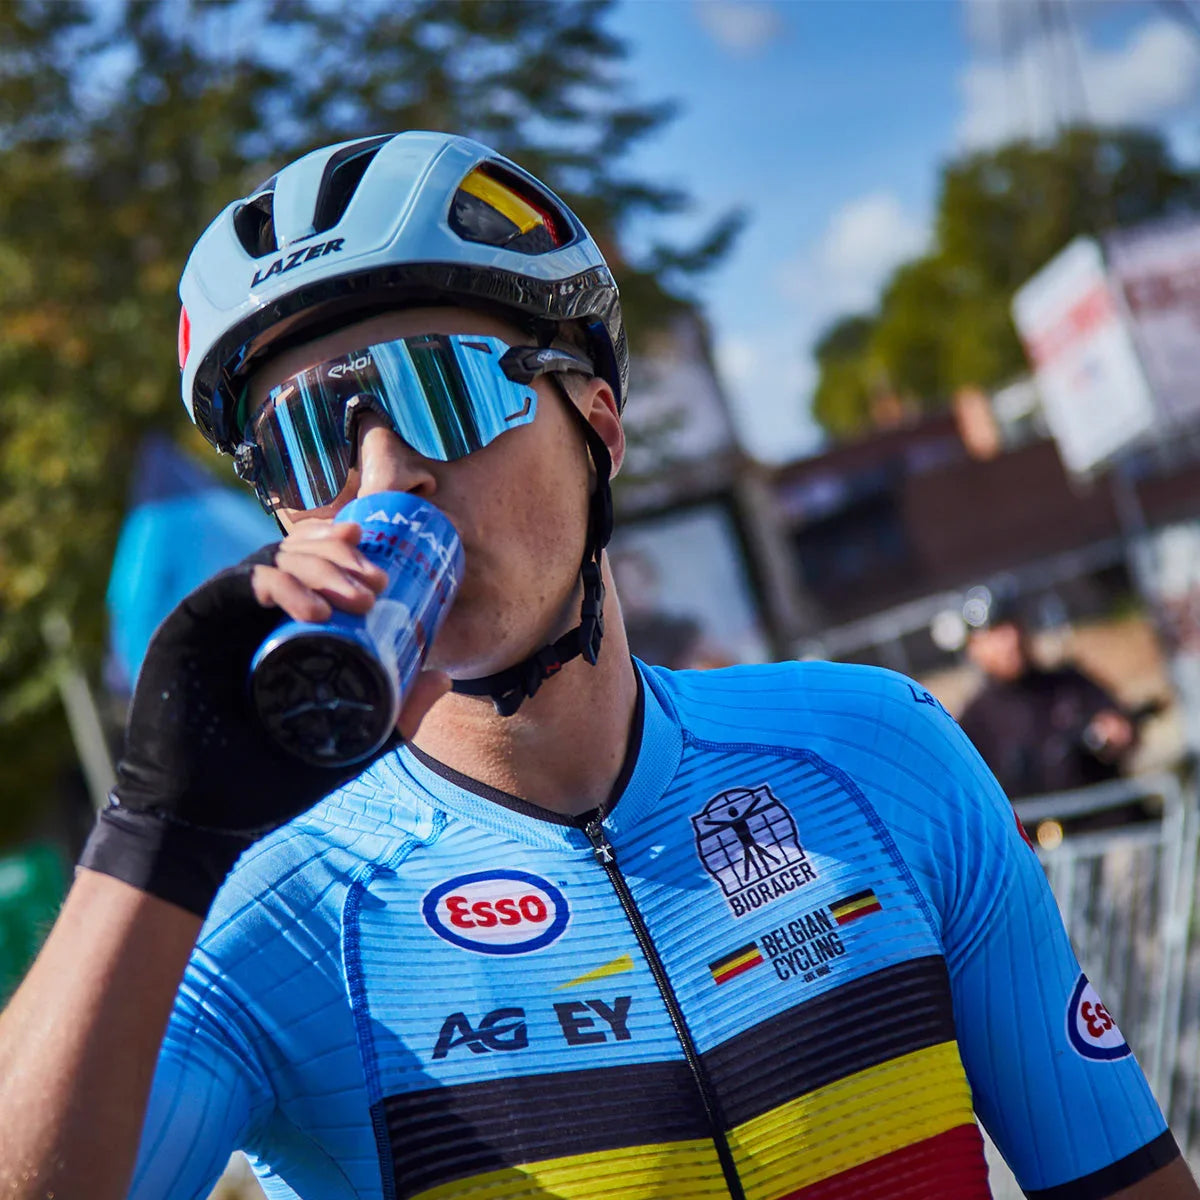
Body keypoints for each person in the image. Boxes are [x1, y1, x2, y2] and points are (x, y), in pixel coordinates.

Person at [0, 132, 1193, 1200]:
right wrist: (157, 830)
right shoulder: (282, 914)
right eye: (310, 437)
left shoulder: (881, 753)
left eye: (442, 386)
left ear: (600, 425)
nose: (387, 478)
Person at [957, 590, 1152, 832]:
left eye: (1011, 627)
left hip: (1113, 828)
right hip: (1047, 855)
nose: (1009, 641)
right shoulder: (975, 721)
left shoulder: (1068, 684)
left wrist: (1116, 732)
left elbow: (1124, 728)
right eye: (994, 634)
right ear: (974, 648)